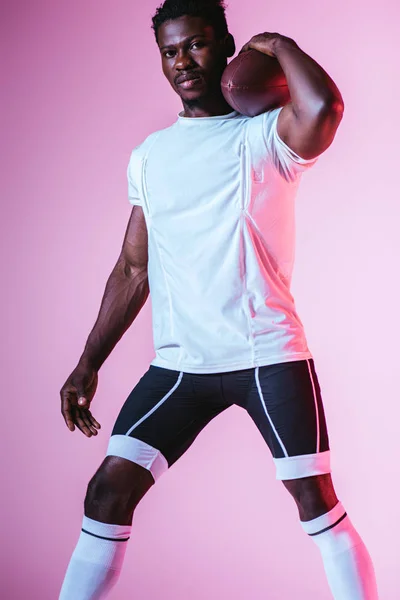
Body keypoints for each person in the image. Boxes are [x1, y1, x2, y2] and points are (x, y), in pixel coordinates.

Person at [58, 1, 379, 598]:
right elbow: (134, 268)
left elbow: (325, 108)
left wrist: (279, 43)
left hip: (268, 357)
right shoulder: (150, 156)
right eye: (171, 50)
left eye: (198, 45)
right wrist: (88, 362)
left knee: (315, 503)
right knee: (107, 492)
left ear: (227, 46)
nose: (183, 60)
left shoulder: (264, 135)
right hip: (182, 366)